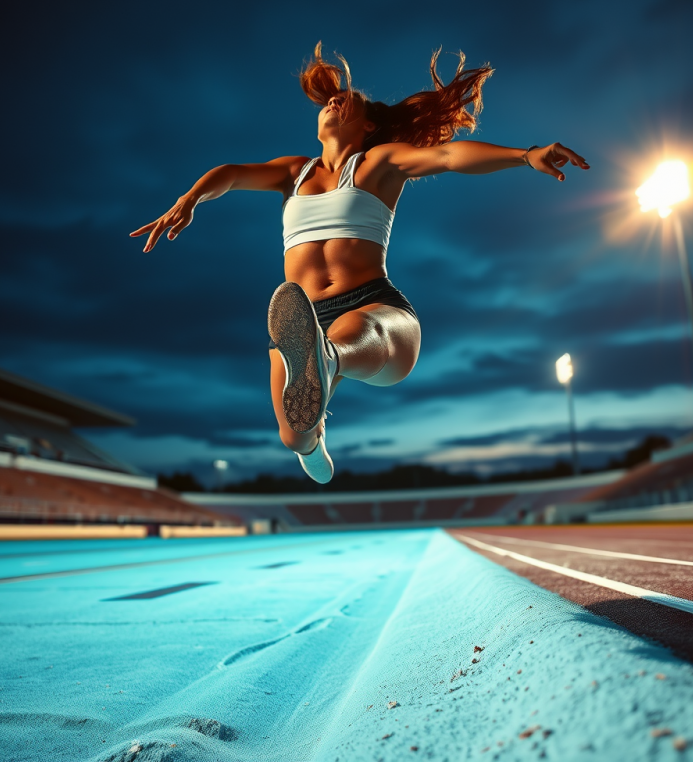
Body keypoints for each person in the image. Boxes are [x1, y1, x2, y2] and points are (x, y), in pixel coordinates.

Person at [131, 43, 589, 484]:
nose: (333, 102)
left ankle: (326, 358)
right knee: (294, 436)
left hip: (373, 305)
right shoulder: (294, 172)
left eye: (346, 101)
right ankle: (315, 433)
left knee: (353, 333)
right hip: (303, 314)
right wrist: (191, 197)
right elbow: (231, 174)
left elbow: (448, 156)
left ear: (368, 125)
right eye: (328, 101)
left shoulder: (378, 162)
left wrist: (525, 156)